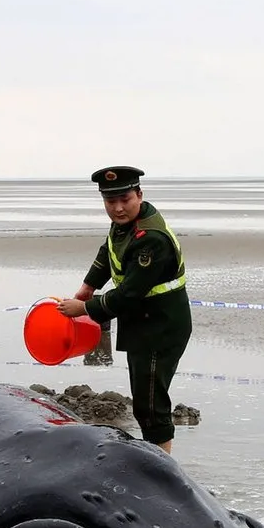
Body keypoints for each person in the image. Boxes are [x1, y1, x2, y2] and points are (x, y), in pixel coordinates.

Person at [58, 165, 192, 454]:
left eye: (125, 200)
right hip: (143, 322)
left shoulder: (151, 239)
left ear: (139, 195)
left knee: (152, 402)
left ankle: (164, 471)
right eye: (110, 202)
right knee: (143, 397)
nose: (118, 209)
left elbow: (128, 295)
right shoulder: (127, 223)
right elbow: (109, 249)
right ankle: (155, 459)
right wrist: (88, 285)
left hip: (161, 326)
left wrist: (83, 307)